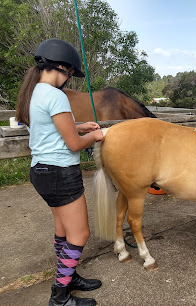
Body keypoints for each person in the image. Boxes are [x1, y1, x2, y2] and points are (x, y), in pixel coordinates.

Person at [15, 38, 105, 306]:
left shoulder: (35, 93)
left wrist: (79, 126)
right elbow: (74, 145)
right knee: (80, 234)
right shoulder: (56, 95)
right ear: (62, 67)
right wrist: (96, 135)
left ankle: (69, 275)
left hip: (41, 171)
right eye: (70, 74)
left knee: (63, 230)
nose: (69, 79)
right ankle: (60, 296)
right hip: (60, 173)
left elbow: (52, 129)